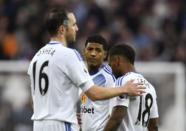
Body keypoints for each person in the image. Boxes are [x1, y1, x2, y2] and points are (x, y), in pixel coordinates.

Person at [27, 8, 145, 131]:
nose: (76, 28)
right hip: (61, 125)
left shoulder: (36, 57)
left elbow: (34, 102)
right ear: (62, 29)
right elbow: (94, 94)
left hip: (38, 125)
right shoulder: (68, 54)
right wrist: (124, 89)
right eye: (73, 25)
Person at [104, 44, 159, 131]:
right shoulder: (150, 87)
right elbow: (153, 126)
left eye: (110, 65)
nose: (111, 70)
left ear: (117, 61)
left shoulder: (123, 82)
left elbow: (117, 118)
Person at [80, 34, 115, 131]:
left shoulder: (109, 77)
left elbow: (114, 114)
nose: (93, 54)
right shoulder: (79, 74)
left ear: (105, 55)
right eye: (90, 49)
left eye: (98, 50)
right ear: (84, 51)